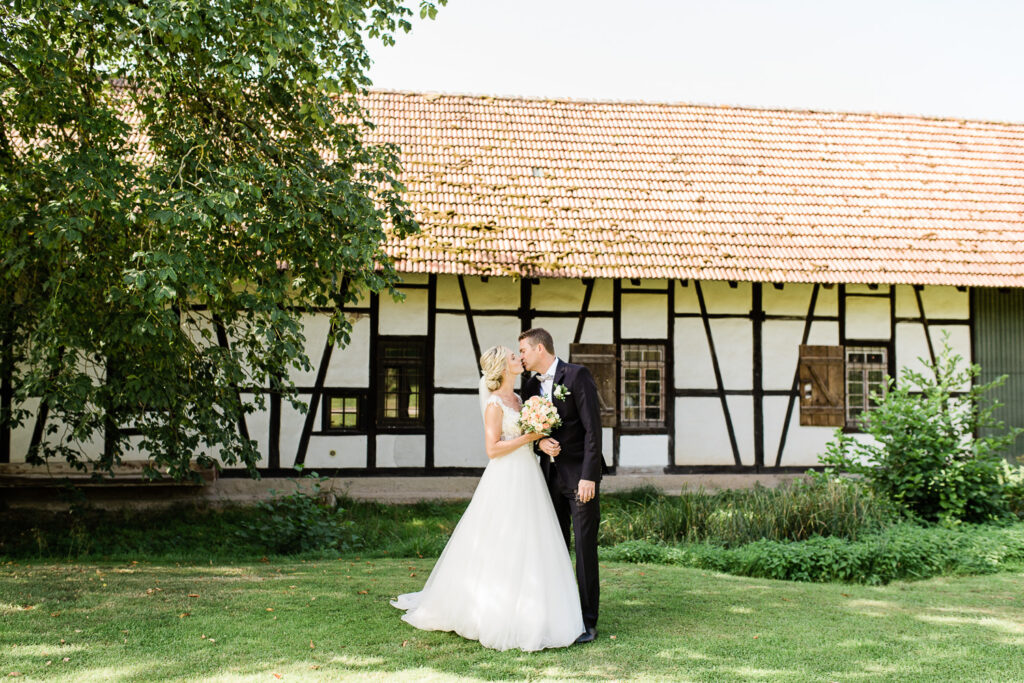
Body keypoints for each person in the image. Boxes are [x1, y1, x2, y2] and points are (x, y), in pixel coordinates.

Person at [390, 345, 585, 651]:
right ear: (502, 367)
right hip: (506, 476)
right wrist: (530, 437)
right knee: (501, 539)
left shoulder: (520, 399)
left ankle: (533, 609)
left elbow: (525, 439)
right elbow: (493, 450)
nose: (518, 359)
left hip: (528, 475)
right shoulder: (495, 404)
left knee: (530, 540)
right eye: (512, 357)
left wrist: (541, 440)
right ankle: (491, 609)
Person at [519, 328, 603, 644]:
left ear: (540, 348)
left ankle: (588, 622)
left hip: (579, 478)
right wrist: (541, 445)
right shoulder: (529, 385)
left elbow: (593, 430)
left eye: (524, 350)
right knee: (552, 548)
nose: (522, 356)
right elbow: (531, 431)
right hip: (547, 479)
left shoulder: (577, 375)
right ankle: (558, 613)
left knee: (583, 549)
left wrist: (589, 476)